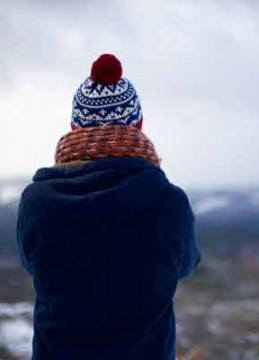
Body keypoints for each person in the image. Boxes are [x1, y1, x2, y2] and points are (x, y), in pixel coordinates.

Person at [16, 54, 201, 360]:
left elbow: (30, 264)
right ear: (138, 124)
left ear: (74, 127)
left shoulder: (36, 202)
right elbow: (185, 265)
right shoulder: (170, 203)